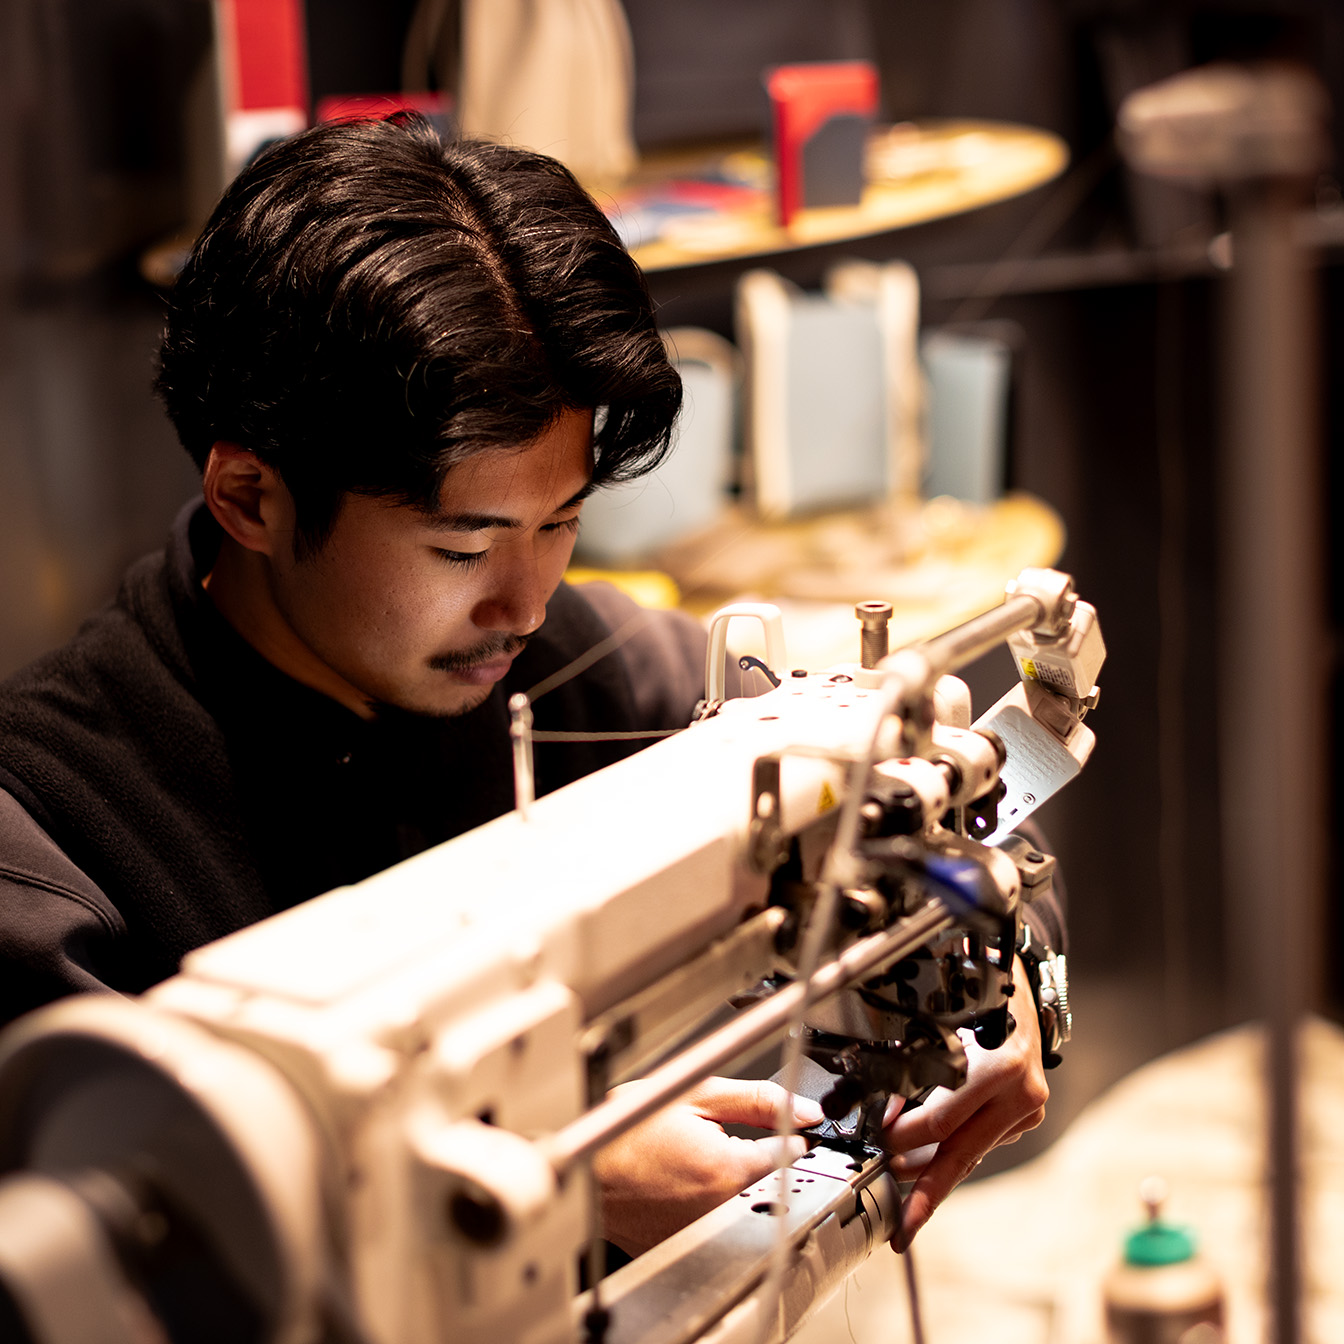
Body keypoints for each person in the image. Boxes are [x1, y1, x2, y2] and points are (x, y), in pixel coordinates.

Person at [0, 113, 1055, 1259]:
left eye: (561, 523)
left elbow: (941, 805)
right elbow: (113, 1270)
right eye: (464, 548)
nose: (526, 603)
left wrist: (1002, 985)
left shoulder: (594, 668)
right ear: (251, 498)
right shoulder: (49, 843)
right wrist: (531, 1183)